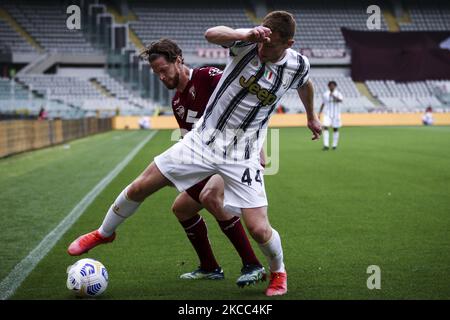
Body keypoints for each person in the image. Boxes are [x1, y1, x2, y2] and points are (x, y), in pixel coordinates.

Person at [67, 10, 321, 297]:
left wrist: (311, 116)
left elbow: (305, 83)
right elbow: (212, 34)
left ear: (288, 44)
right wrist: (245, 34)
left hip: (243, 153)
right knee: (143, 184)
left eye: (270, 45)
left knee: (260, 230)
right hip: (202, 140)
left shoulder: (298, 65)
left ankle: (278, 272)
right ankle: (104, 232)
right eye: (262, 41)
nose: (263, 49)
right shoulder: (249, 45)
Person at [138, 39, 265, 285]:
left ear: (179, 60)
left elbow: (245, 102)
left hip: (237, 154)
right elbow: (190, 147)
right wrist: (174, 172)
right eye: (157, 74)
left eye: (164, 70)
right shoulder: (177, 103)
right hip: (208, 160)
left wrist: (258, 145)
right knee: (181, 208)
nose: (161, 77)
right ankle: (210, 267)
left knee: (210, 197)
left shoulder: (208, 76)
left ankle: (253, 265)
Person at [318, 81, 343, 150]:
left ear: (335, 86)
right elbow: (323, 103)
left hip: (336, 114)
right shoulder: (325, 94)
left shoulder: (338, 93)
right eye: (330, 85)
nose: (332, 87)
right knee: (325, 127)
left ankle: (334, 146)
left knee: (335, 129)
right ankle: (326, 145)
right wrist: (319, 113)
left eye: (333, 85)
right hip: (327, 114)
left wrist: (333, 96)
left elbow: (341, 100)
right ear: (328, 86)